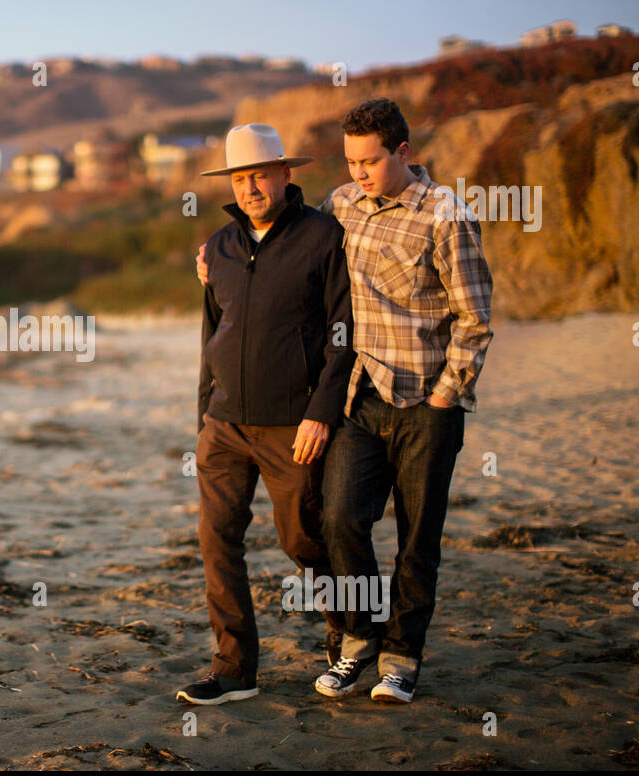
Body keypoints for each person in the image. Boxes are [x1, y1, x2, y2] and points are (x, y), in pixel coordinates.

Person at [194, 100, 494, 704]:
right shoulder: (335, 209)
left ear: (403, 153)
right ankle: (335, 645)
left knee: (410, 537)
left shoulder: (437, 215)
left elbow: (474, 316)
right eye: (352, 161)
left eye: (371, 160)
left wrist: (444, 393)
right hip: (351, 400)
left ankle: (400, 656)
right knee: (337, 523)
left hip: (420, 402)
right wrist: (213, 259)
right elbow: (236, 303)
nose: (359, 173)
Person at [177, 123, 354, 705]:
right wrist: (206, 410)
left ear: (285, 174)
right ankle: (234, 669)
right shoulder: (220, 247)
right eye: (240, 177)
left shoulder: (322, 237)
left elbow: (340, 334)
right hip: (225, 424)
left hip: (292, 423)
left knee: (303, 537)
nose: (250, 186)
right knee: (216, 539)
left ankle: (348, 628)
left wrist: (321, 412)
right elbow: (213, 329)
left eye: (260, 174)